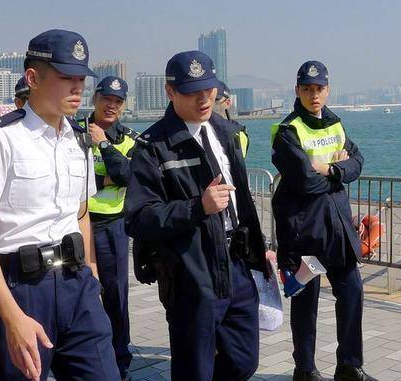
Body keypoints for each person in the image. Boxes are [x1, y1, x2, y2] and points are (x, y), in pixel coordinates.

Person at [0, 29, 120, 381]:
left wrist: (90, 270)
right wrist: (12, 317)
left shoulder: (78, 138)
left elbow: (81, 211)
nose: (78, 88)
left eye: (81, 78)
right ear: (33, 78)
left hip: (78, 285)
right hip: (20, 288)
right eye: (66, 78)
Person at [124, 50, 268, 381]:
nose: (204, 99)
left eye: (209, 89)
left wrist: (259, 250)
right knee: (194, 368)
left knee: (245, 359)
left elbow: (242, 199)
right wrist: (196, 207)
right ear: (170, 91)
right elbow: (138, 218)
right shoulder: (153, 146)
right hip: (191, 272)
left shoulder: (226, 132)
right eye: (192, 92)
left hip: (236, 263)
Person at [271, 61, 374, 381]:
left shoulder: (336, 125)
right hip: (303, 229)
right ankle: (305, 369)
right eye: (307, 89)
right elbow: (303, 181)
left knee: (353, 291)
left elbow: (357, 163)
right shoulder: (287, 131)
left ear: (328, 90)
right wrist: (336, 172)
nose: (314, 95)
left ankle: (349, 365)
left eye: (319, 89)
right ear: (297, 90)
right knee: (306, 302)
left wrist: (328, 169)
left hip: (338, 226)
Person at [82, 75, 137, 380]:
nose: (111, 106)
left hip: (113, 227)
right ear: (95, 99)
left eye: (117, 102)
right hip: (78, 226)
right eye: (106, 99)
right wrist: (105, 180)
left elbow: (129, 176)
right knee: (80, 294)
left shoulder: (128, 139)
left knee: (116, 299)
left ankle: (121, 363)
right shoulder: (73, 132)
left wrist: (102, 144)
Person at [213, 81, 249, 158]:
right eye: (208, 98)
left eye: (215, 99)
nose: (211, 103)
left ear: (228, 103)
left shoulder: (237, 133)